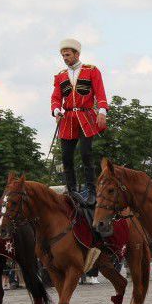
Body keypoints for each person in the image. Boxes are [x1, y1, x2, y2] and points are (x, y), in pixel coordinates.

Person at [51, 38, 109, 206]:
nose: (65, 58)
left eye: (68, 54)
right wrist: (56, 110)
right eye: (63, 55)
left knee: (85, 153)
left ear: (77, 54)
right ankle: (72, 190)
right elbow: (56, 97)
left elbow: (100, 92)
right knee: (66, 156)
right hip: (67, 118)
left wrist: (102, 112)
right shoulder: (60, 75)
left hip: (86, 116)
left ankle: (91, 190)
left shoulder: (92, 70)